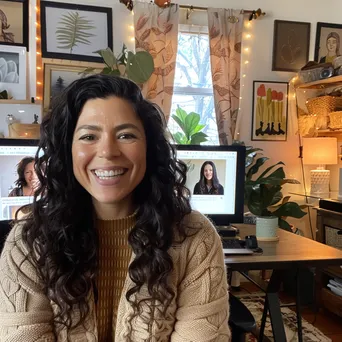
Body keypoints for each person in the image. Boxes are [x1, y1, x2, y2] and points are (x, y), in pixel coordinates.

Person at [0, 75, 230, 341]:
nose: (108, 151)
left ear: (149, 148)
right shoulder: (28, 244)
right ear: (67, 149)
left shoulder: (195, 237)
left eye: (126, 135)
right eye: (88, 136)